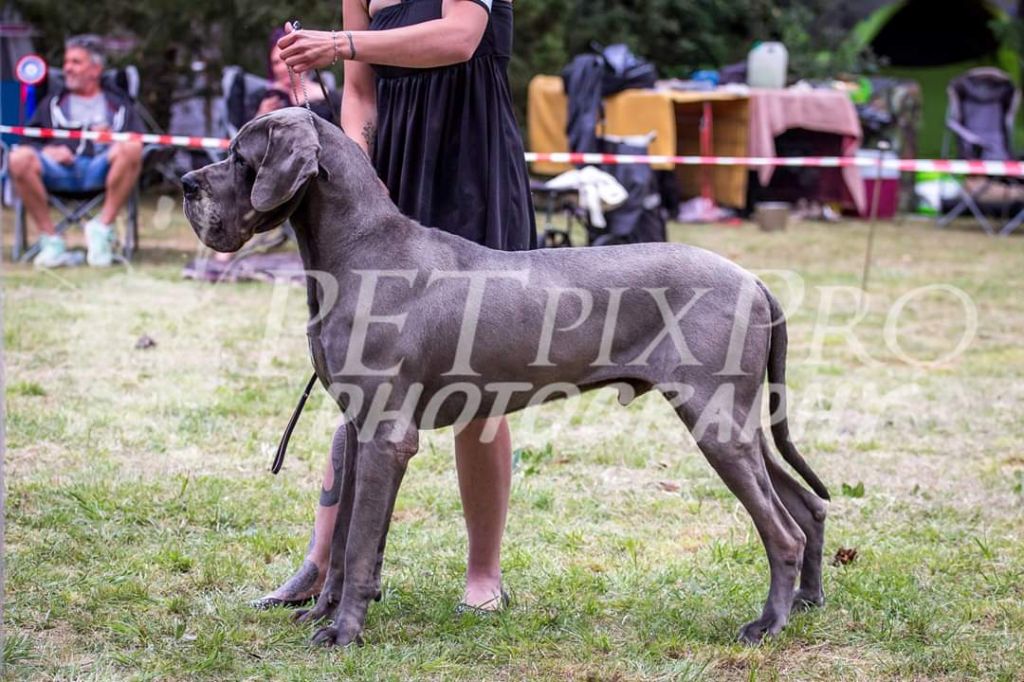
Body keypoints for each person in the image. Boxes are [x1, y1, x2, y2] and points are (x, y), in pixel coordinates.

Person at [252, 0, 536, 612]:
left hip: (471, 164)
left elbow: (460, 37)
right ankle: (322, 565)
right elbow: (360, 93)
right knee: (364, 369)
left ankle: (483, 576)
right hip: (392, 173)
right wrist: (358, 166)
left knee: (477, 386)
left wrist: (340, 43)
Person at [8, 34, 144, 268]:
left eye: (75, 62)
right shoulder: (52, 104)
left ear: (95, 69)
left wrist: (112, 139)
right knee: (18, 158)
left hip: (101, 169)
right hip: (57, 170)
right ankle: (51, 240)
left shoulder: (118, 105)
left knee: (130, 147)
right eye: (66, 62)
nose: (67, 69)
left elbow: (141, 140)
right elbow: (27, 140)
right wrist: (48, 150)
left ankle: (101, 229)